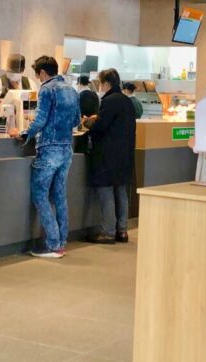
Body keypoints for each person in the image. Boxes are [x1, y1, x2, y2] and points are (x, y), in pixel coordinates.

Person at [19, 55, 81, 258]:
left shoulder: (46, 89)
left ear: (43, 73)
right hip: (66, 148)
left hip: (48, 148)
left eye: (38, 75)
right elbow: (76, 120)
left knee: (40, 194)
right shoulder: (71, 90)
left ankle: (52, 244)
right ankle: (61, 242)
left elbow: (40, 119)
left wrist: (26, 133)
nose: (38, 78)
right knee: (60, 196)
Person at [83, 68, 136, 244]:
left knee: (105, 190)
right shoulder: (127, 101)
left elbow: (101, 126)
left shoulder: (109, 101)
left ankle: (108, 232)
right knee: (120, 191)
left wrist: (88, 122)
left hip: (108, 154)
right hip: (125, 154)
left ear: (106, 84)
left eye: (100, 83)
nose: (99, 87)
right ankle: (122, 230)